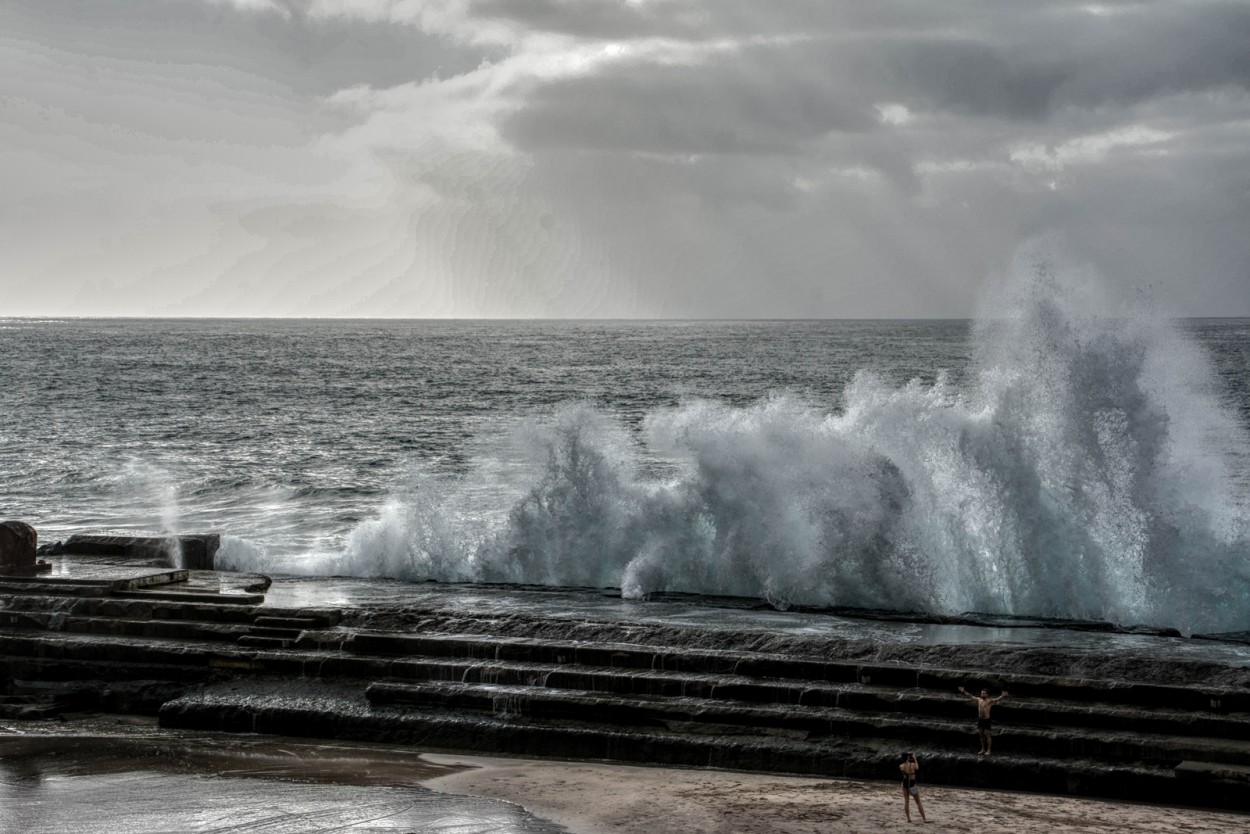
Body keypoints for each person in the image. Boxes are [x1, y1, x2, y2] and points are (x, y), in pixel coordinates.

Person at [958, 686, 1008, 755]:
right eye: (981, 693)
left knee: (987, 735)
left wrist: (1002, 696)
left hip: (986, 720)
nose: (982, 694)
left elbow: (997, 699)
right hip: (980, 720)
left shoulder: (990, 701)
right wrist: (963, 691)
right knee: (981, 735)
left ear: (987, 694)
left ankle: (989, 750)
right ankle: (983, 749)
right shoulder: (979, 699)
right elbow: (971, 696)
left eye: (984, 693)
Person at [899, 751, 927, 823]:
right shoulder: (912, 765)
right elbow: (917, 767)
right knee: (918, 802)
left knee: (906, 802)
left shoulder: (901, 766)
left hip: (905, 784)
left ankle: (908, 819)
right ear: (908, 757)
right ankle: (924, 819)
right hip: (912, 784)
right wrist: (914, 758)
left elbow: (905, 774)